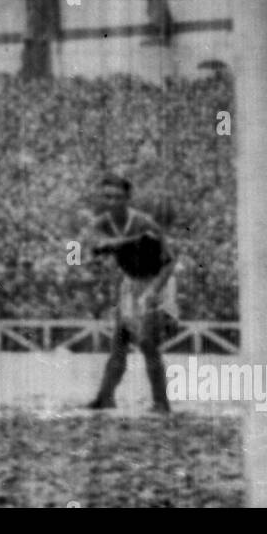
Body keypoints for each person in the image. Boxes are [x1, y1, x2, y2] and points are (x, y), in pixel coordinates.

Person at [84, 173, 181, 414]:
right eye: (107, 196)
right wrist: (132, 241)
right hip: (131, 281)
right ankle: (105, 396)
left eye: (118, 197)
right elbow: (94, 247)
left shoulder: (145, 223)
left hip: (156, 280)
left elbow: (169, 261)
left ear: (128, 198)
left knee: (147, 341)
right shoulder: (102, 223)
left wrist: (153, 291)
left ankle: (161, 402)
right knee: (119, 340)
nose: (112, 201)